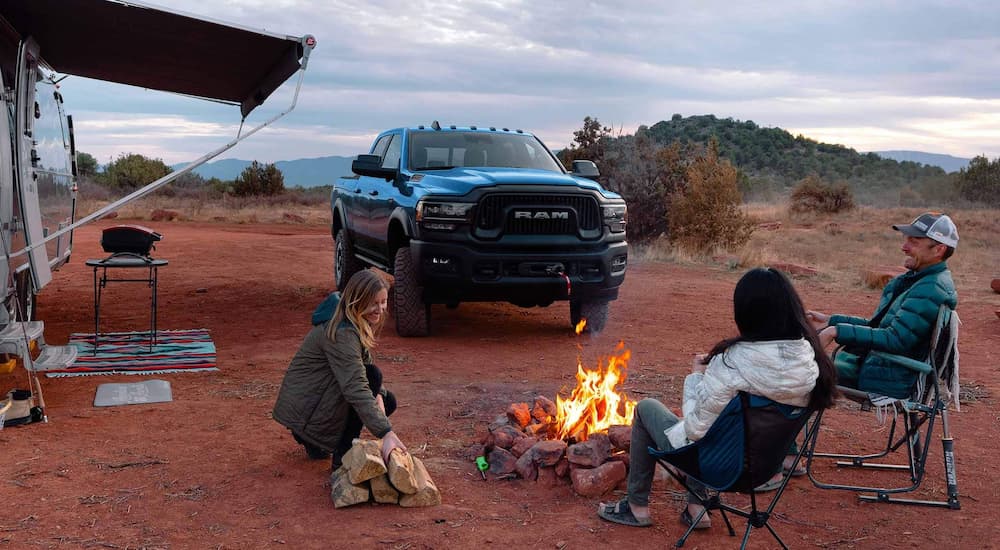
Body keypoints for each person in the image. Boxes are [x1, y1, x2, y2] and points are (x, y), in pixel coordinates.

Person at [597, 268, 838, 528]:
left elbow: (695, 429)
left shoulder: (732, 364)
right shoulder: (809, 361)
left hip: (721, 468)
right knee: (720, 424)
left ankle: (636, 507)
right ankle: (697, 508)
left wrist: (697, 376)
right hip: (766, 469)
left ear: (745, 313)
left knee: (648, 408)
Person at [808, 212, 958, 399]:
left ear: (939, 250)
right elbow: (882, 327)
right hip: (882, 368)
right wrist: (831, 321)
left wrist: (835, 331)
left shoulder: (930, 288)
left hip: (887, 378)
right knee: (800, 367)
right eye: (906, 240)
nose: (904, 247)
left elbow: (895, 338)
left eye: (914, 242)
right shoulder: (921, 280)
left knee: (798, 370)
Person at [272, 270, 406, 468]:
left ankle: (318, 443)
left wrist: (378, 394)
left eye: (383, 302)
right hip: (306, 415)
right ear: (357, 300)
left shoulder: (351, 320)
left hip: (312, 407)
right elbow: (356, 386)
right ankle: (342, 456)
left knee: (386, 400)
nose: (380, 309)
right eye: (374, 303)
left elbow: (363, 364)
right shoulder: (342, 333)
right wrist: (386, 433)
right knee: (371, 378)